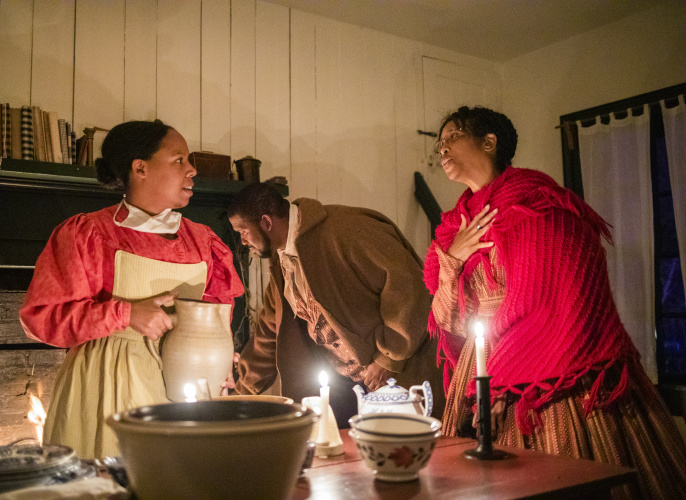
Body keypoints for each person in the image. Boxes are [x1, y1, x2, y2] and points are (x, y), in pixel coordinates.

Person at [424, 105, 686, 498]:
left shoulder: (543, 207)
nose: (441, 150)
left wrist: (502, 380)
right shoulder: (453, 230)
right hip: (478, 368)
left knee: (563, 474)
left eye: (452, 138)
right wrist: (454, 258)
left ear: (489, 142)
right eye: (438, 144)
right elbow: (447, 317)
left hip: (552, 373)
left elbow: (563, 301)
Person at [19, 120, 243, 459]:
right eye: (179, 160)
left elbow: (218, 313)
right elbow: (43, 318)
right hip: (105, 387)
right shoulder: (88, 234)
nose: (192, 170)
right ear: (140, 168)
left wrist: (222, 358)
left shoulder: (204, 241)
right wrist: (125, 313)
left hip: (185, 388)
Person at [227, 183, 444, 426]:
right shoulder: (283, 263)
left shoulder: (349, 230)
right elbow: (268, 334)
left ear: (266, 222)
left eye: (243, 231)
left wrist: (388, 358)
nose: (243, 241)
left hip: (398, 378)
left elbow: (408, 286)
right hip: (342, 385)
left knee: (402, 453)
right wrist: (239, 393)